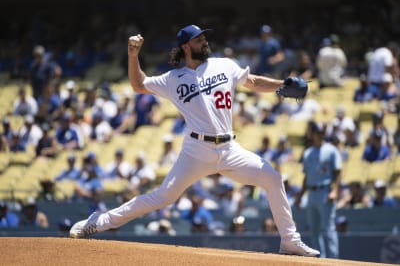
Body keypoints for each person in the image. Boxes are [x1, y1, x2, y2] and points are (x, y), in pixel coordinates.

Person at [69, 24, 319, 257]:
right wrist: (133, 56)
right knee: (162, 198)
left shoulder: (224, 65)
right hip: (196, 150)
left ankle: (289, 240)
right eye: (198, 39)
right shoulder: (173, 79)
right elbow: (138, 84)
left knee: (273, 178)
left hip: (230, 148)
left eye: (204, 37)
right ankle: (97, 223)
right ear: (186, 47)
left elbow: (252, 81)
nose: (204, 41)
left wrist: (281, 85)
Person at [295, 122, 342, 258]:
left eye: (322, 133)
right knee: (314, 230)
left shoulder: (331, 150)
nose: (320, 135)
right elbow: (306, 176)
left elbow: (338, 172)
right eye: (318, 133)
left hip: (325, 192)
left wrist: (335, 191)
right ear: (312, 135)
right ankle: (320, 260)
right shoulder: (308, 153)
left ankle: (334, 260)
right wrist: (300, 196)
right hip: (311, 193)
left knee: (329, 228)